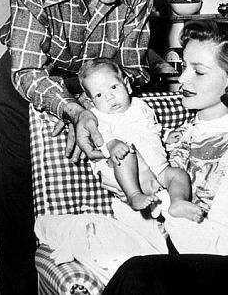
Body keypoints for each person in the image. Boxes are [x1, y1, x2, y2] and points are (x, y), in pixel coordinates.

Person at [0, 0, 154, 295]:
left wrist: (89, 106)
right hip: (29, 82)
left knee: (97, 186)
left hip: (100, 86)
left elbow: (131, 69)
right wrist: (71, 109)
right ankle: (16, 289)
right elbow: (27, 69)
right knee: (20, 192)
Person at [102, 19, 228, 294]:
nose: (182, 78)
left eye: (199, 71)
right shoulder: (181, 133)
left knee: (138, 276)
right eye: (184, 66)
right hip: (180, 254)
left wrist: (163, 205)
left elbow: (224, 247)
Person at [78, 57, 204, 221]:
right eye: (99, 95)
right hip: (123, 171)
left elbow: (151, 129)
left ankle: (178, 202)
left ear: (127, 85)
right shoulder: (98, 116)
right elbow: (100, 137)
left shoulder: (141, 106)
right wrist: (111, 144)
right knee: (124, 151)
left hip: (157, 167)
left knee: (179, 175)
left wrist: (166, 136)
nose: (109, 97)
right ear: (91, 101)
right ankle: (134, 195)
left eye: (114, 87)